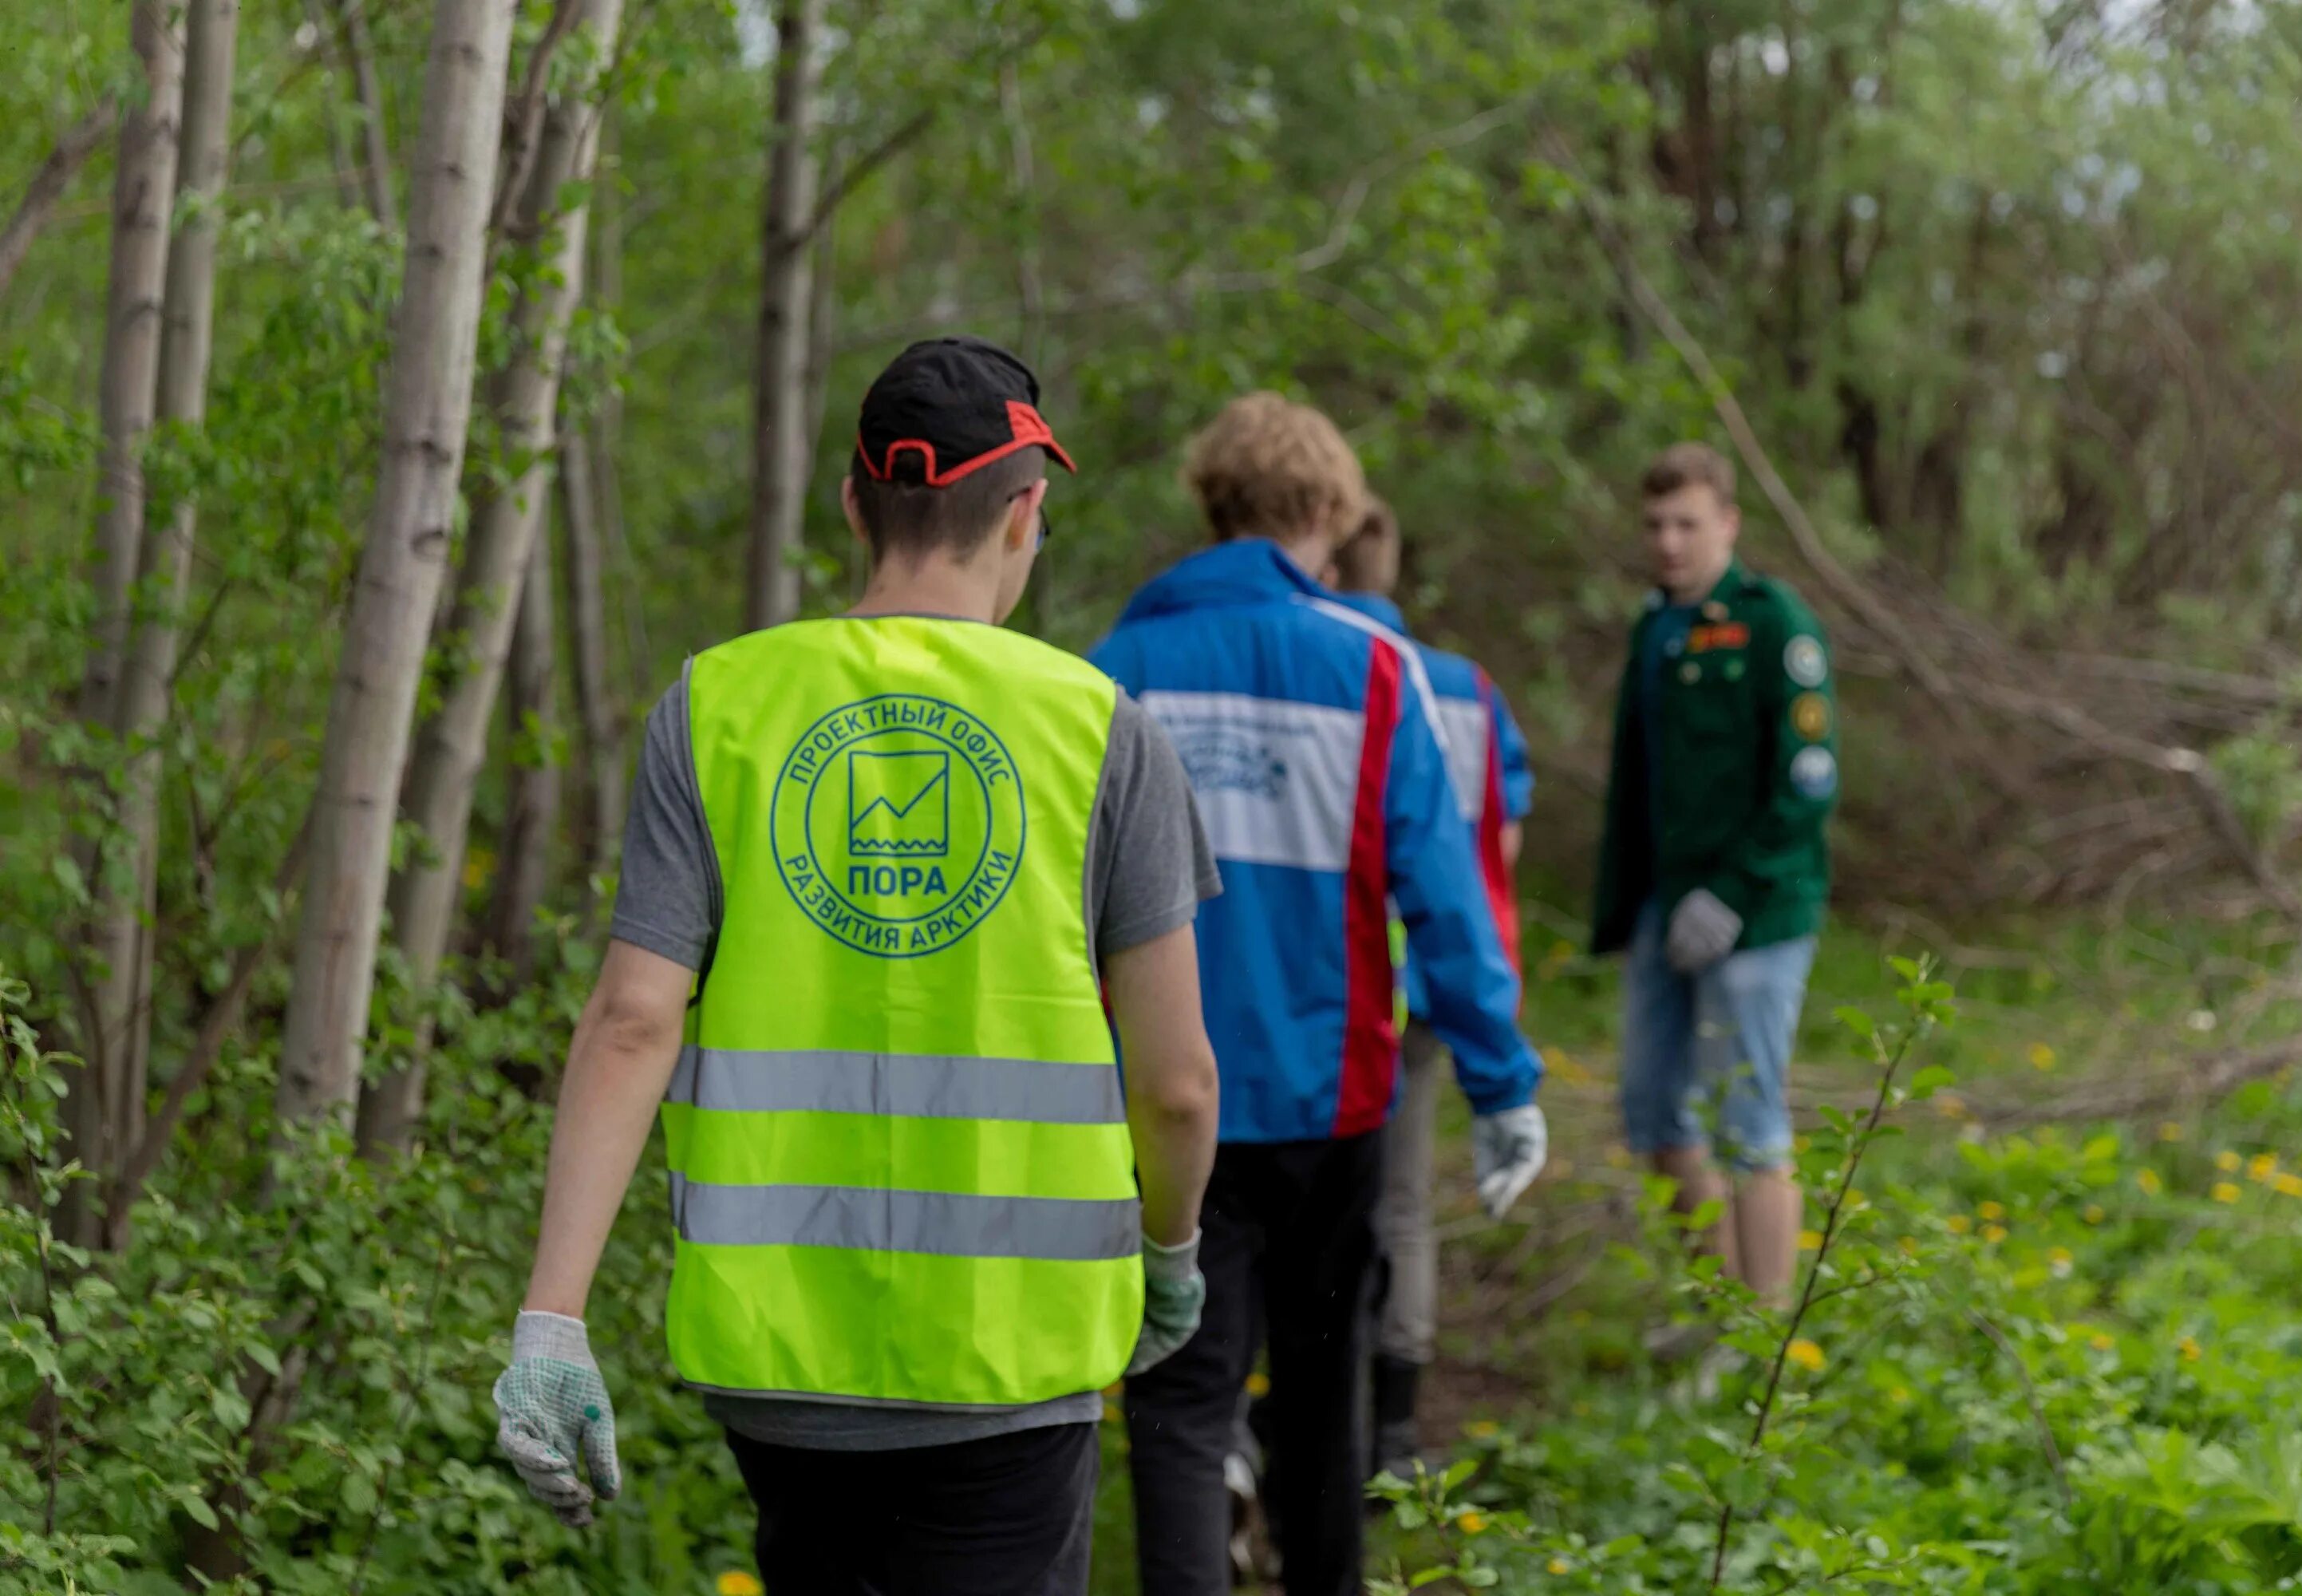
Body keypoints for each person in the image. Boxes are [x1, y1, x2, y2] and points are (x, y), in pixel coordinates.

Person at [490, 336, 1223, 1596]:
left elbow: (629, 1022)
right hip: (1018, 1360)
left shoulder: (717, 706)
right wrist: (1169, 1252)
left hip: (782, 1367)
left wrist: (552, 1319)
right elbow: (1178, 1086)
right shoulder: (1105, 733)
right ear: (1026, 513)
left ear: (852, 504)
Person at [1090, 393, 1548, 1596]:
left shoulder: (1114, 672)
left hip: (1156, 1100)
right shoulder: (1374, 669)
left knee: (1180, 1404)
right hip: (1329, 1104)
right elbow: (1445, 899)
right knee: (1323, 1388)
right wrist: (1501, 1080)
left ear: (1210, 502)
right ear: (1332, 513)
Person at [1590, 442, 1836, 1311]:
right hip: (1666, 905)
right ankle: (1720, 1313)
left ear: (1727, 523)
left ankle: (1763, 1345)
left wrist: (1734, 891)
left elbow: (1808, 780)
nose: (1668, 541)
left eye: (1686, 522)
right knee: (1656, 1113)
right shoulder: (1656, 627)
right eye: (1654, 524)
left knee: (1750, 1124)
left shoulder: (1775, 623)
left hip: (1757, 912)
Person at [1322, 498, 1534, 1473]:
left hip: (1330, 975)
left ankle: (1286, 1416)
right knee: (1404, 1198)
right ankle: (1397, 1429)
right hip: (1432, 977)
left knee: (1311, 1203)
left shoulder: (1327, 664)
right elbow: (1502, 840)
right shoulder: (1467, 688)